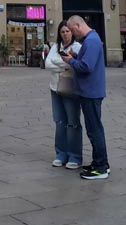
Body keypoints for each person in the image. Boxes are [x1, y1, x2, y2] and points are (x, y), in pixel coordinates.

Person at [63, 15, 110, 180]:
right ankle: (101, 162)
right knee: (95, 128)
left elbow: (86, 67)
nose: (73, 34)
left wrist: (71, 61)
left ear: (78, 25)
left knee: (94, 130)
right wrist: (76, 57)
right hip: (91, 91)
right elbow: (86, 62)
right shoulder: (93, 39)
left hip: (90, 92)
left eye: (73, 30)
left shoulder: (90, 41)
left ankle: (100, 167)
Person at [45, 22, 82, 170]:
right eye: (62, 31)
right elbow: (47, 64)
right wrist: (65, 63)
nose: (65, 34)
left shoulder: (78, 47)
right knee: (59, 121)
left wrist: (61, 62)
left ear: (72, 32)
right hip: (55, 88)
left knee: (72, 122)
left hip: (70, 89)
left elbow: (75, 64)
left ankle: (75, 156)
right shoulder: (55, 47)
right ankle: (61, 154)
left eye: (67, 31)